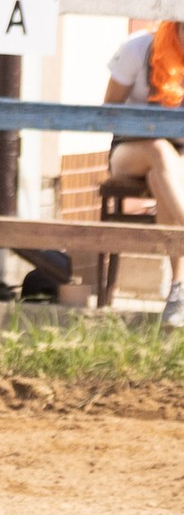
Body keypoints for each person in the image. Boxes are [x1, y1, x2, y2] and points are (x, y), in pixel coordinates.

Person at [100, 16, 184, 327]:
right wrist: (150, 127)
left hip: (178, 156)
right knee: (159, 152)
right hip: (129, 150)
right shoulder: (139, 47)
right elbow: (108, 109)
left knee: (164, 176)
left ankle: (178, 290)